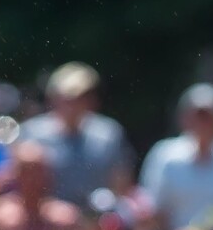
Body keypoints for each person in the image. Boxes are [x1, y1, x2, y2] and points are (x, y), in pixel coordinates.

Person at [137, 84, 213, 230]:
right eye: (198, 116)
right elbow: (152, 207)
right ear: (184, 119)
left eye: (208, 117)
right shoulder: (165, 154)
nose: (203, 124)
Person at [21, 63, 132, 207]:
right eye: (68, 97)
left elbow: (122, 183)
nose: (74, 103)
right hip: (49, 221)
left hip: (95, 220)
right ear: (53, 98)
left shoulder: (109, 134)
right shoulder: (32, 133)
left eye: (82, 96)